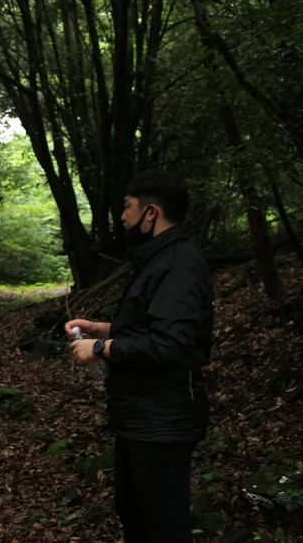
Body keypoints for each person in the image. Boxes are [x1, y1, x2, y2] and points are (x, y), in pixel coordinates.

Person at [65, 170, 214, 543]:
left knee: (163, 526)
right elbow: (151, 325)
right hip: (140, 416)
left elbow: (168, 344)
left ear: (151, 212)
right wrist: (102, 328)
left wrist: (99, 348)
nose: (121, 217)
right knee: (135, 514)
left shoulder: (180, 264)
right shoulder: (158, 259)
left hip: (163, 421)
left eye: (127, 207)